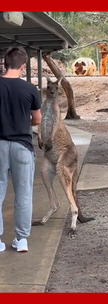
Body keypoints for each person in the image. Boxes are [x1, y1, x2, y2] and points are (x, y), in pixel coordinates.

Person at [0, 46, 41, 253]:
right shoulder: (29, 89)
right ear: (23, 66)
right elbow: (37, 119)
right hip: (22, 147)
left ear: (4, 64)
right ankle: (21, 239)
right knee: (23, 194)